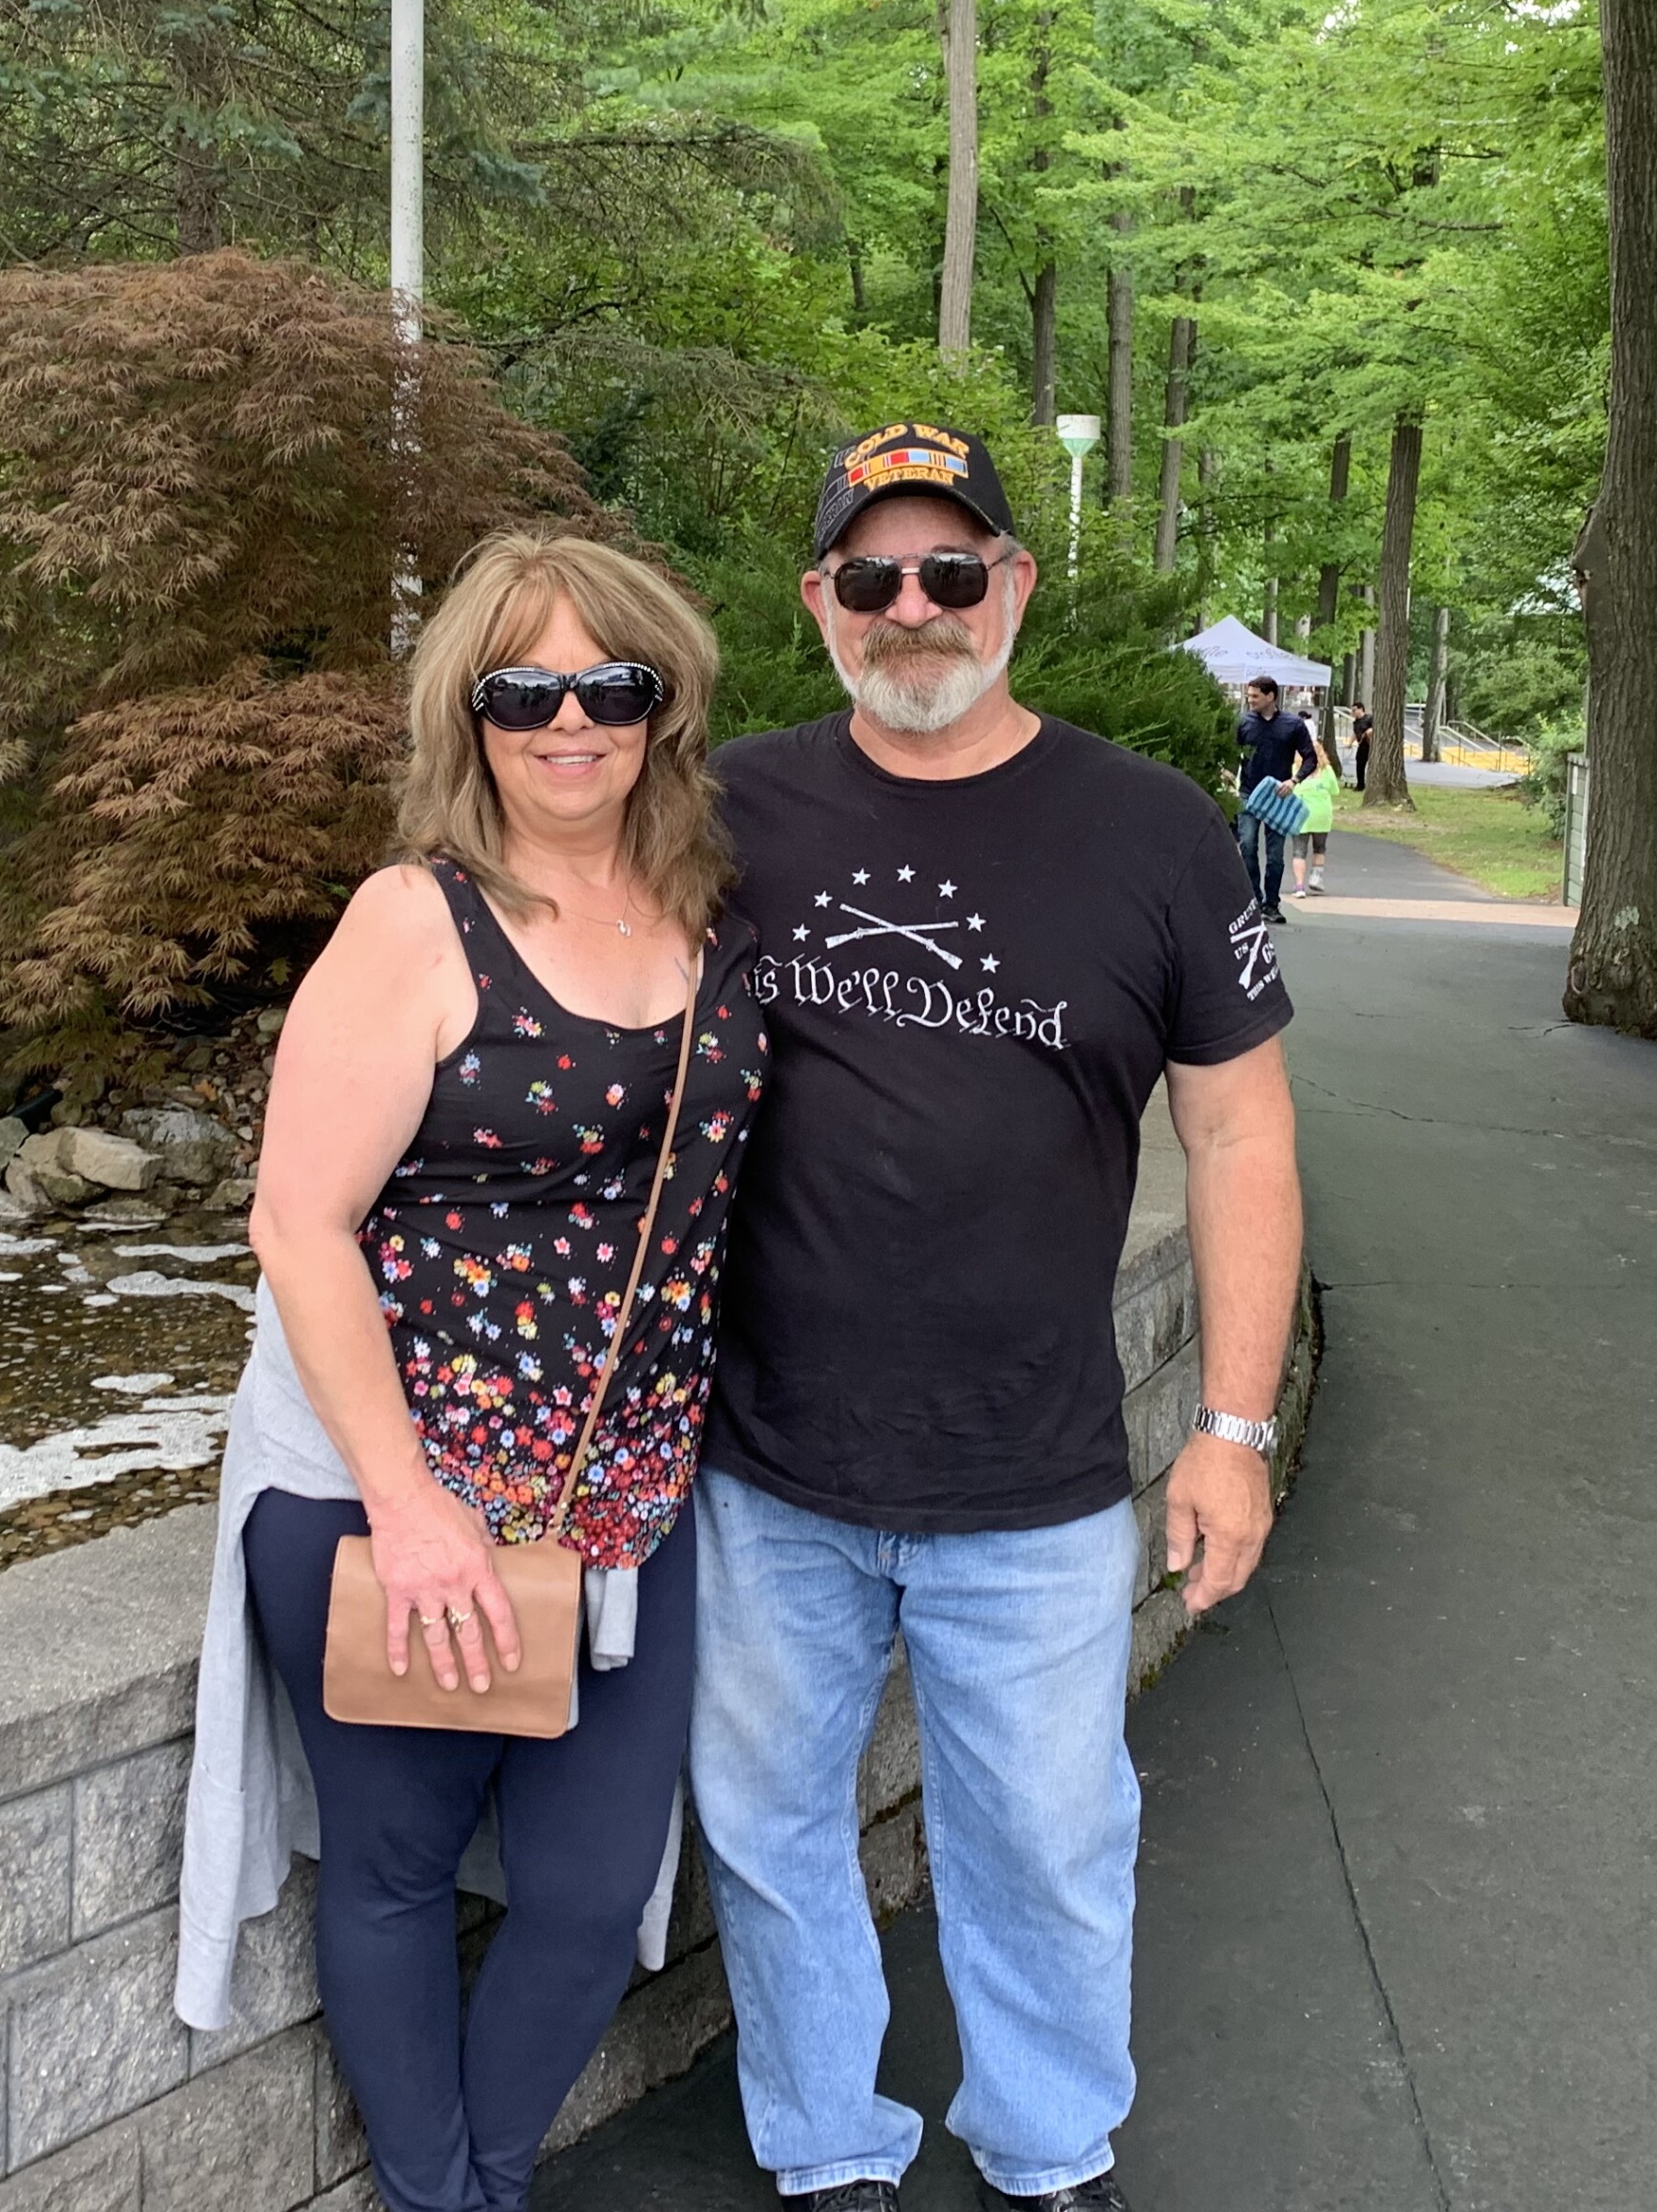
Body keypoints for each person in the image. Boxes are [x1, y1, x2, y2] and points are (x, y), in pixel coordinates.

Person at [695, 419, 1306, 2212]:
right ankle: (825, 2141)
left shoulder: (1156, 830)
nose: (915, 609)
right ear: (819, 600)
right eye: (873, 577)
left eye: (951, 571)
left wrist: (1234, 1427)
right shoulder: (721, 811)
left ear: (1015, 586)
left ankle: (1047, 2146)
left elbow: (1243, 1135)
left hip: (1034, 1468)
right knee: (768, 1828)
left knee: (1046, 1838)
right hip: (763, 1460)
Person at [176, 529, 766, 2212]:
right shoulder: (413, 921)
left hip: (621, 1512)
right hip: (398, 1508)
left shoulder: (711, 912)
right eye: (525, 691)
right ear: (470, 713)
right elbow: (297, 1224)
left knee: (589, 1893)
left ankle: (484, 2175)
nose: (569, 721)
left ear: (664, 705)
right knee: (396, 1873)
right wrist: (413, 1506)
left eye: (610, 686)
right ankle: (451, 2200)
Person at [1229, 675, 1315, 924]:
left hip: (1278, 797)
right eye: (1249, 695)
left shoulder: (1293, 725)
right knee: (1247, 846)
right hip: (1248, 794)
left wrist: (1294, 780)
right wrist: (1228, 774)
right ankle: (1254, 901)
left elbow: (1310, 758)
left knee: (1275, 855)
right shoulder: (1243, 722)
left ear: (1271, 696)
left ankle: (1272, 904)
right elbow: (1233, 753)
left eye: (1255, 696)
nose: (1250, 700)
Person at [1286, 743, 1339, 901]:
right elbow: (1334, 790)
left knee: (1299, 852)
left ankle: (1299, 886)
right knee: (1319, 848)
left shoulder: (1295, 769)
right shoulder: (1326, 770)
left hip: (1300, 814)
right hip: (1321, 815)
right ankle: (1316, 877)